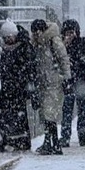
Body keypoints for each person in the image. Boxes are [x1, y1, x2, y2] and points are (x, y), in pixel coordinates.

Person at [30, 18, 72, 155]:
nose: (36, 34)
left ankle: (50, 142)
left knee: (49, 113)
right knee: (47, 114)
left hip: (54, 82)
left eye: (37, 31)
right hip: (44, 83)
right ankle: (53, 143)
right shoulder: (38, 43)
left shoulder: (53, 41)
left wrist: (66, 78)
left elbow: (63, 59)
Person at [0, 20, 36, 151]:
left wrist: (26, 82)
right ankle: (15, 140)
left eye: (9, 37)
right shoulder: (11, 49)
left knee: (18, 115)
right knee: (12, 115)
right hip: (9, 87)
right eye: (5, 37)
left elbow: (30, 67)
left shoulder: (24, 47)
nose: (8, 39)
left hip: (18, 87)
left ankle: (20, 141)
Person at [60, 18, 85, 148]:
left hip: (82, 81)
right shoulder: (62, 46)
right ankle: (65, 135)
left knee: (83, 108)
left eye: (71, 32)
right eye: (67, 32)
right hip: (69, 81)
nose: (69, 35)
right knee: (68, 109)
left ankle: (82, 134)